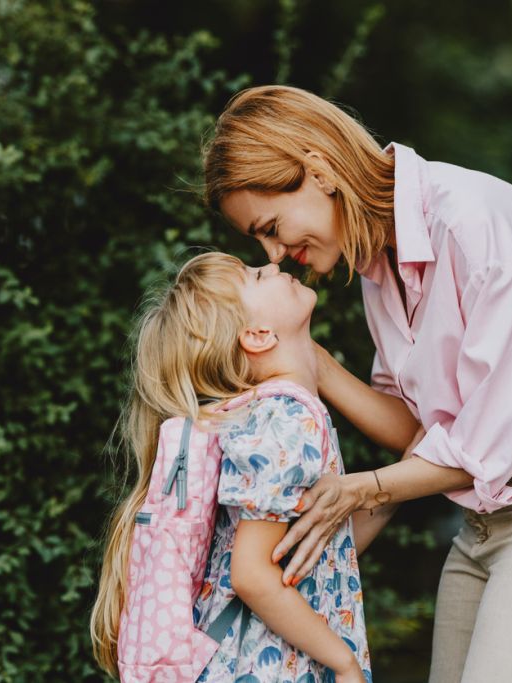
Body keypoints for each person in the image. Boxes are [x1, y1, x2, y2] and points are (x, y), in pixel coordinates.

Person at [202, 85, 512, 683]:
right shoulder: (379, 264)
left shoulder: (471, 222)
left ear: (318, 171)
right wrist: (309, 362)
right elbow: (424, 434)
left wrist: (364, 489)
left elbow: (502, 434)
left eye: (270, 227)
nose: (275, 253)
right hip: (486, 520)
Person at [90, 252, 408, 682]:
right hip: (264, 667)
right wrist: (344, 662)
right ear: (258, 335)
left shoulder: (266, 415)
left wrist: (402, 484)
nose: (274, 265)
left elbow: (310, 554)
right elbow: (253, 576)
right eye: (257, 275)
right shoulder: (285, 419)